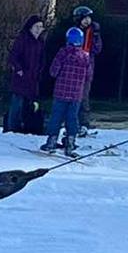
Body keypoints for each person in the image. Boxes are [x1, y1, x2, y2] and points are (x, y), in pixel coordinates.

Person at [40, 27, 91, 156]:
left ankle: (51, 141)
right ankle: (70, 142)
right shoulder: (85, 57)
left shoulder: (63, 53)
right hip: (76, 95)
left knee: (56, 117)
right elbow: (88, 76)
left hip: (60, 93)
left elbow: (53, 71)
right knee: (72, 118)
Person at [5, 14, 46, 134]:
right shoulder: (22, 39)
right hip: (21, 77)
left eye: (41, 27)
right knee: (17, 102)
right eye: (37, 27)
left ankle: (27, 126)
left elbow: (42, 59)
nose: (39, 30)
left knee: (30, 103)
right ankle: (12, 127)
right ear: (30, 27)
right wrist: (19, 70)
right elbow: (13, 57)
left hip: (33, 78)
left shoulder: (40, 42)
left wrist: (40, 72)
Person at [72, 5, 104, 132]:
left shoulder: (92, 32)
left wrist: (96, 35)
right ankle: (72, 121)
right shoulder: (74, 32)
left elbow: (97, 49)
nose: (87, 21)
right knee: (73, 96)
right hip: (74, 69)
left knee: (84, 96)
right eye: (84, 18)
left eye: (89, 18)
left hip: (87, 69)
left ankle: (84, 122)